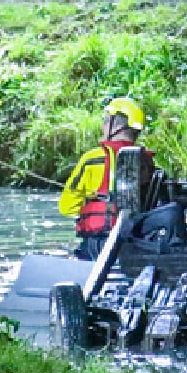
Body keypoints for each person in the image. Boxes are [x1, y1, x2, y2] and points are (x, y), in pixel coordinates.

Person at [58, 97, 151, 260]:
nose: (102, 127)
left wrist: (91, 202)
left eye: (106, 121)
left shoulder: (92, 159)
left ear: (117, 126)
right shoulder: (147, 161)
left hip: (98, 243)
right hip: (135, 242)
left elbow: (66, 207)